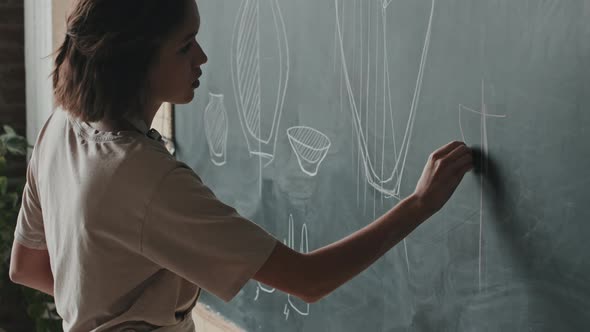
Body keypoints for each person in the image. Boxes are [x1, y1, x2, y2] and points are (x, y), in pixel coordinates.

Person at [8, 0, 473, 331]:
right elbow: (309, 280)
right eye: (186, 45)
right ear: (138, 61)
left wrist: (101, 308)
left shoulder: (59, 129)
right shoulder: (145, 180)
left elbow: (26, 267)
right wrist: (418, 204)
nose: (203, 57)